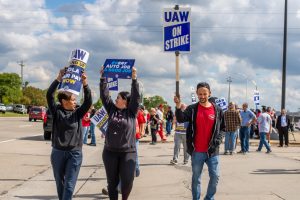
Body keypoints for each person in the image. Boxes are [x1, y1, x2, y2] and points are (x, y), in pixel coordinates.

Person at [46, 68, 92, 200]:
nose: (75, 102)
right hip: (58, 152)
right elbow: (49, 95)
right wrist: (58, 78)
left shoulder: (78, 113)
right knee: (60, 183)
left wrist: (85, 83)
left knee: (70, 184)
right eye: (73, 100)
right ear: (64, 102)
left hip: (75, 153)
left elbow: (88, 102)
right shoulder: (57, 111)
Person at [174, 82, 225, 200]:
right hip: (197, 151)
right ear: (197, 94)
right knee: (196, 178)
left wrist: (218, 140)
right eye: (200, 94)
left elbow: (223, 128)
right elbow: (181, 118)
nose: (202, 96)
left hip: (213, 151)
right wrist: (177, 105)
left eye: (205, 94)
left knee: (215, 176)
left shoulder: (217, 110)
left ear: (210, 93)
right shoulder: (192, 109)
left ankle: (209, 198)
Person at [100, 67, 140, 200]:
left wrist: (134, 78)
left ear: (125, 100)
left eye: (118, 97)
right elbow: (104, 96)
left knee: (128, 181)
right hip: (110, 152)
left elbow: (136, 97)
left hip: (128, 152)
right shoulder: (111, 109)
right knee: (112, 183)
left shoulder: (131, 112)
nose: (115, 99)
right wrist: (103, 78)